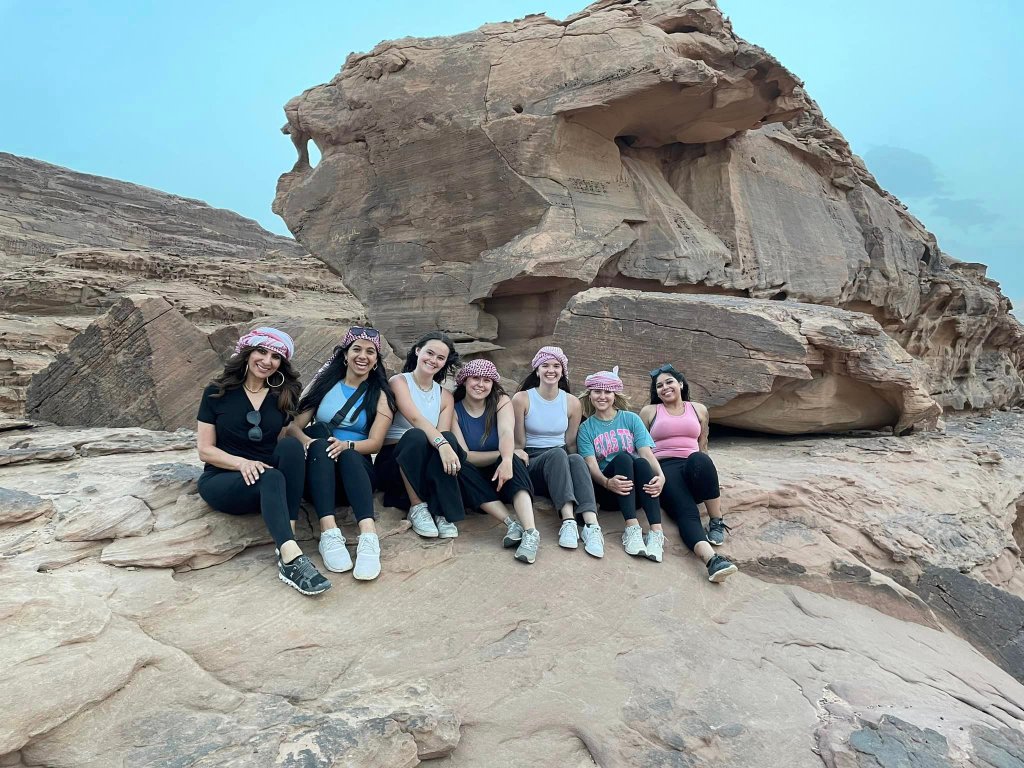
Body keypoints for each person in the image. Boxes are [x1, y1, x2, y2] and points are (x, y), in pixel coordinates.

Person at [196, 327, 330, 596]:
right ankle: (291, 561)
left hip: (268, 481)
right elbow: (205, 450)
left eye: (276, 356)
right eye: (261, 351)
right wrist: (242, 463)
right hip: (225, 478)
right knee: (271, 476)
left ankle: (286, 536)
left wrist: (306, 442)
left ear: (282, 363)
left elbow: (282, 439)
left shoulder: (282, 395)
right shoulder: (216, 392)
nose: (267, 361)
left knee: (290, 448)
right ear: (247, 353)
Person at [288, 326, 396, 581]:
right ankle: (329, 532)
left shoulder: (380, 395)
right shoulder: (325, 386)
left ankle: (368, 536)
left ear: (376, 360)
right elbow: (293, 427)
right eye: (356, 349)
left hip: (355, 474)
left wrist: (347, 445)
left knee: (347, 454)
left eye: (370, 352)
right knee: (321, 445)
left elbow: (376, 443)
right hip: (320, 473)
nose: (363, 356)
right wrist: (308, 442)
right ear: (345, 355)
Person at [640, 364, 737, 582]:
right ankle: (712, 561)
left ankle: (716, 520)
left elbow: (703, 445)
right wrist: (653, 476)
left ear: (681, 384)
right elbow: (641, 448)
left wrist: (709, 478)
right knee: (687, 512)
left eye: (669, 382)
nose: (665, 388)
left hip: (693, 466)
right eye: (659, 386)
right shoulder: (649, 412)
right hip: (665, 469)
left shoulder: (698, 409)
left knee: (701, 459)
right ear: (656, 392)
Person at [376, 331, 468, 538]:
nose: (433, 360)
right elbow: (415, 419)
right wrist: (442, 444)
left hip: (425, 465)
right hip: (395, 463)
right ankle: (417, 507)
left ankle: (441, 511)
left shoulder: (445, 396)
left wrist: (444, 444)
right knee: (417, 435)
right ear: (418, 351)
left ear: (445, 363)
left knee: (448, 438)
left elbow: (442, 433)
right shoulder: (399, 382)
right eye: (430, 353)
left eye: (440, 358)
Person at [512, 346, 602, 557]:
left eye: (556, 366)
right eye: (545, 365)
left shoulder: (572, 402)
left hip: (560, 461)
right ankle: (568, 521)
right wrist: (516, 451)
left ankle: (591, 525)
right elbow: (518, 442)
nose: (550, 370)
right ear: (537, 370)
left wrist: (582, 472)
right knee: (558, 454)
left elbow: (571, 443)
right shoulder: (522, 399)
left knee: (576, 458)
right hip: (533, 462)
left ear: (563, 371)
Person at [451, 359, 540, 563]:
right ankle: (511, 523)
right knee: (460, 465)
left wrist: (507, 459)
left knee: (513, 460)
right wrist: (504, 454)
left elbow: (507, 432)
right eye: (475, 378)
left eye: (487, 380)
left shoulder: (501, 401)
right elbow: (466, 455)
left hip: (504, 477)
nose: (480, 384)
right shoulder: (454, 410)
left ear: (493, 384)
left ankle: (530, 532)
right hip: (475, 481)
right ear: (464, 381)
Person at [577, 367, 666, 561]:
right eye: (597, 391)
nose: (602, 396)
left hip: (636, 493)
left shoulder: (630, 419)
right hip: (609, 492)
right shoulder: (586, 428)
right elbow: (591, 465)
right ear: (590, 395)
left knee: (641, 463)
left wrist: (661, 476)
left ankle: (656, 533)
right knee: (624, 458)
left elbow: (646, 452)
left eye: (607, 392)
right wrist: (607, 482)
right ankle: (632, 529)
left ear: (615, 395)